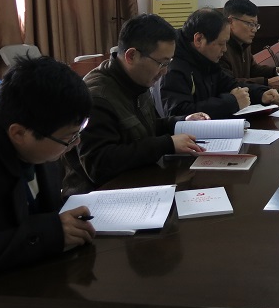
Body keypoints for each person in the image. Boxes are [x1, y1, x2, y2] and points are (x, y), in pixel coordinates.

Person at [0, 57, 95, 281]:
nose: (76, 142)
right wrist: (49, 233)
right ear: (19, 133)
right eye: (69, 137)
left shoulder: (42, 142)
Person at [62, 14, 210, 196]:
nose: (165, 71)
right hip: (98, 197)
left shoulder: (137, 80)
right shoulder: (97, 96)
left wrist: (181, 122)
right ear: (131, 56)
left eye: (169, 63)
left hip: (137, 182)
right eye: (161, 63)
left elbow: (145, 126)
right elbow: (98, 165)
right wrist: (166, 144)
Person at [160, 8, 279, 119]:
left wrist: (260, 94)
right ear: (199, 39)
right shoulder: (173, 68)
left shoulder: (205, 59)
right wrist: (232, 102)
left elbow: (229, 84)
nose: (225, 49)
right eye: (221, 44)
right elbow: (179, 113)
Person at [220, 0, 279, 92]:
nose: (254, 30)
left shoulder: (244, 44)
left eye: (256, 25)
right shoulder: (221, 48)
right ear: (230, 22)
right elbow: (228, 84)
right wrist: (266, 82)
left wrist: (276, 70)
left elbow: (253, 69)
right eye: (250, 24)